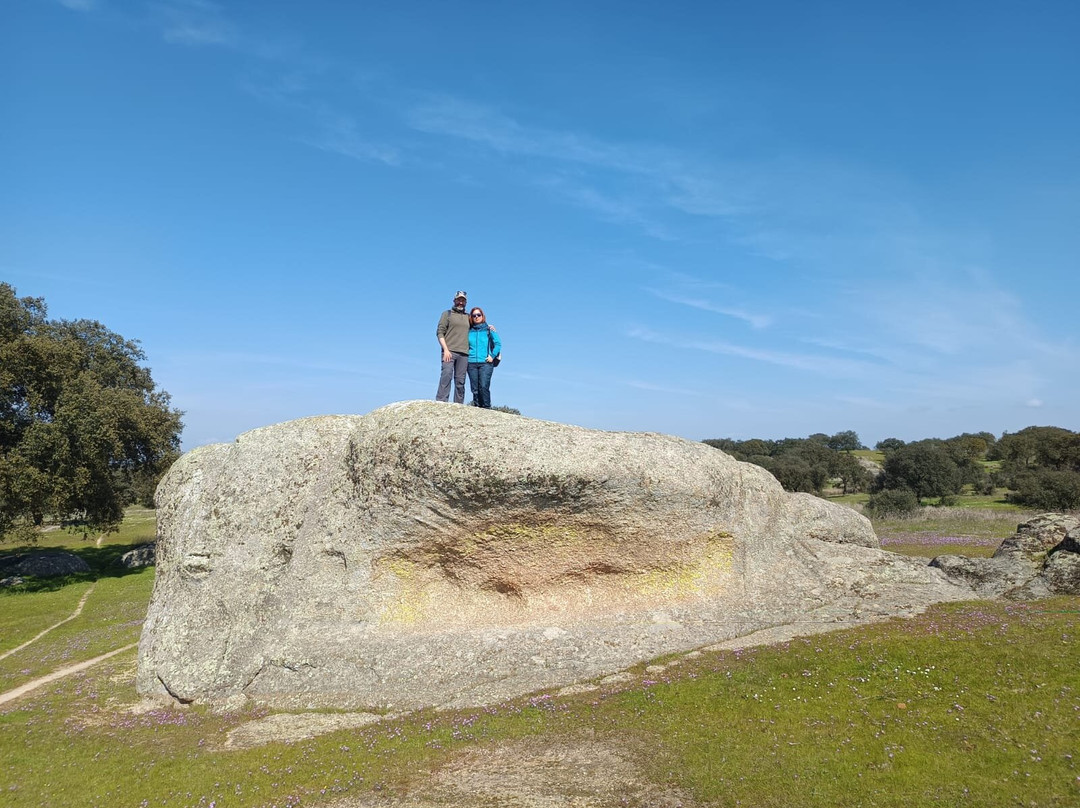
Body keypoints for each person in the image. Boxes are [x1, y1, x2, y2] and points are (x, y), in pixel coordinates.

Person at [435, 290, 471, 403]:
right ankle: (441, 402)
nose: (461, 302)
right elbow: (440, 332)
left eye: (463, 300)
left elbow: (478, 327)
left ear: (466, 302)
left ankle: (458, 405)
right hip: (449, 351)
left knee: (460, 381)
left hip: (464, 353)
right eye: (459, 300)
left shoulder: (468, 317)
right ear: (454, 300)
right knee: (446, 375)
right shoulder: (447, 314)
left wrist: (489, 327)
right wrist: (445, 349)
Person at [466, 307, 501, 408]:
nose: (476, 317)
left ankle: (486, 408)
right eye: (474, 315)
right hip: (471, 363)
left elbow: (498, 344)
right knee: (474, 389)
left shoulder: (489, 330)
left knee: (484, 386)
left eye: (478, 315)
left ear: (482, 316)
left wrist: (492, 356)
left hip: (486, 363)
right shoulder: (468, 331)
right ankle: (477, 408)